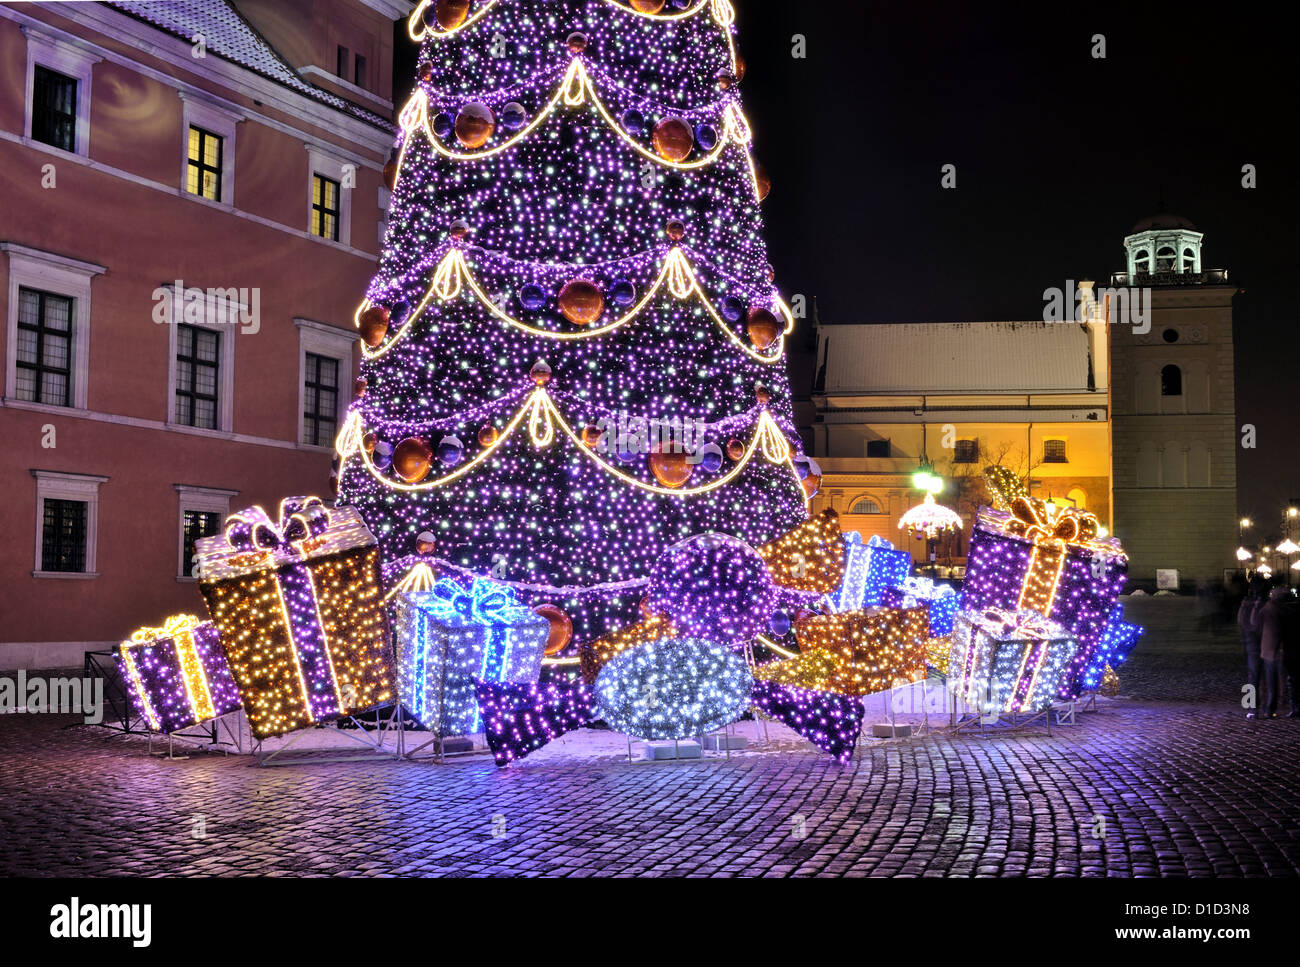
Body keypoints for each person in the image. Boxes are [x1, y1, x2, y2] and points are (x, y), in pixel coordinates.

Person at [1252, 583, 1296, 719]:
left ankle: (1266, 709)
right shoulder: (1286, 611)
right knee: (1284, 681)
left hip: (1268, 650)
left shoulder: (1266, 609)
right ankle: (1279, 707)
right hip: (1282, 649)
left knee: (1269, 681)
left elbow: (1256, 626)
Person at [1238, 577, 1266, 719]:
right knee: (1268, 676)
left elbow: (1240, 621)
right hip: (1262, 643)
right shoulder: (1262, 603)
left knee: (1253, 676)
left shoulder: (1245, 603)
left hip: (1250, 643)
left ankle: (1251, 708)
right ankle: (1269, 707)